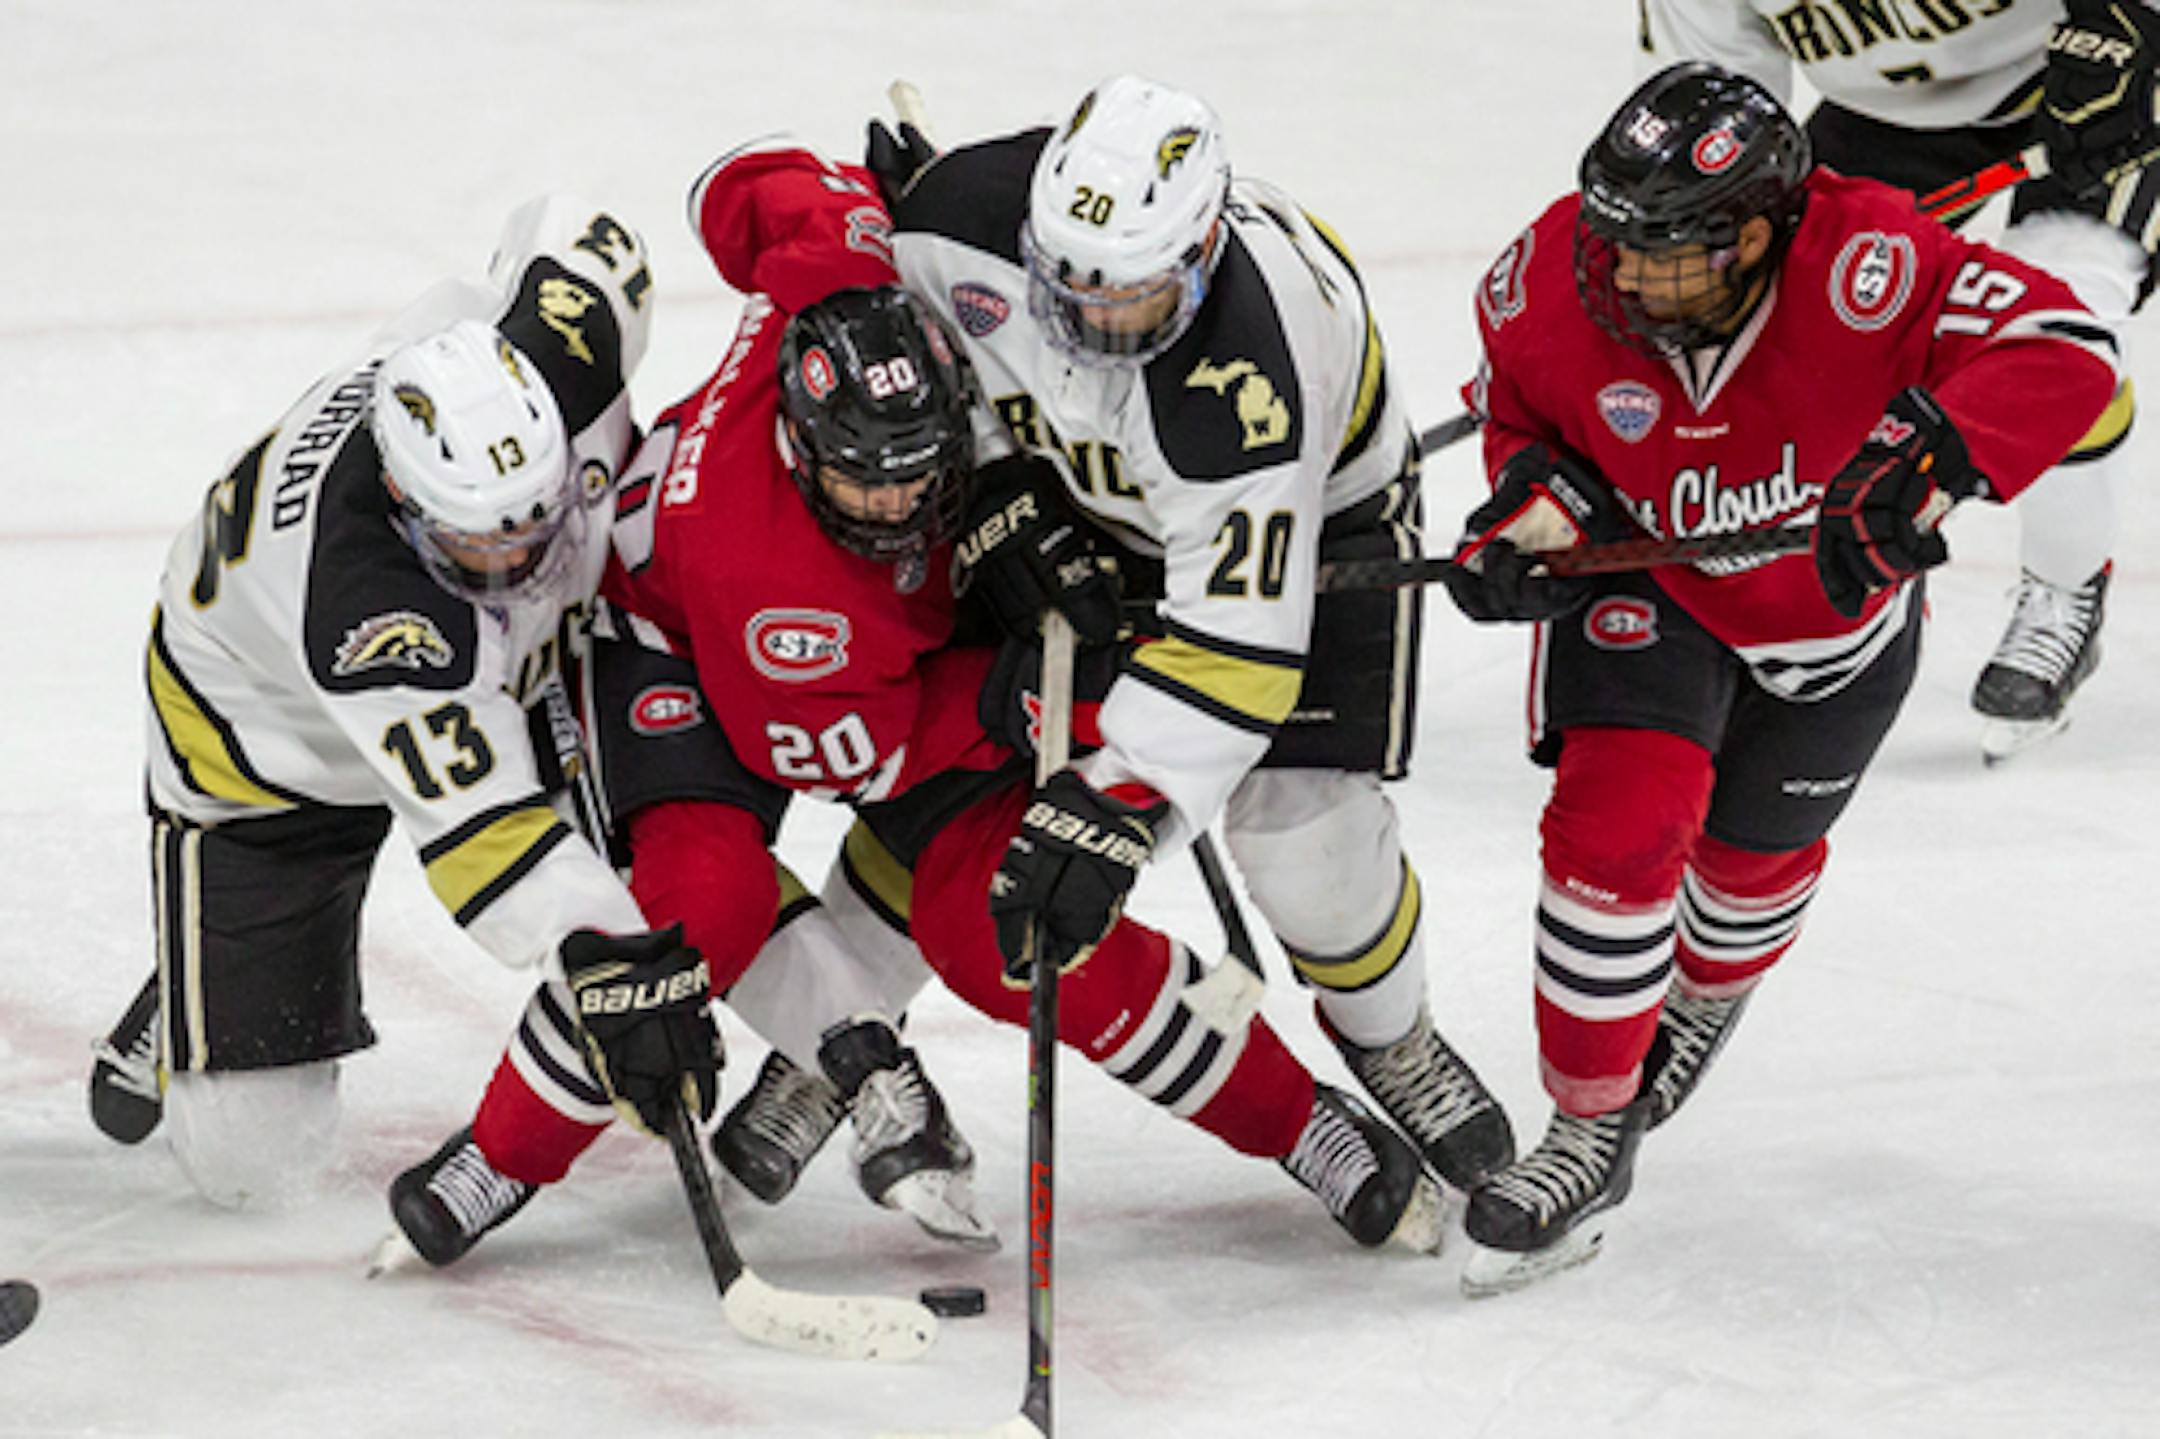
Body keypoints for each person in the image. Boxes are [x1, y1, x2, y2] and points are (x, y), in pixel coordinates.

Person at [560, 134, 1447, 1255]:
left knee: (1031, 918)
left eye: (922, 474)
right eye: (864, 484)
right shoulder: (771, 573)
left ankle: (1306, 1110)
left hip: (925, 634)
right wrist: (1029, 699)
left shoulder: (875, 286)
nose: (896, 506)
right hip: (716, 663)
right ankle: (840, 1047)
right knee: (971, 910)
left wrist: (867, 227)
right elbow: (865, 760)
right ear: (799, 443)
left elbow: (740, 184)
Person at [1439, 61, 2116, 1295]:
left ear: (1757, 232)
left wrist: (1932, 456)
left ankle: (1704, 990)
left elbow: (2070, 348)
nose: (1629, 275)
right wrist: (1526, 513)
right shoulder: (1545, 279)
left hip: (1832, 627)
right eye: (1618, 240)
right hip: (1650, 596)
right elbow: (1524, 427)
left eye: (1669, 252)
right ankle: (1589, 1125)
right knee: (1617, 829)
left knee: (1750, 865)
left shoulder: (1874, 262)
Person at [861, 74, 1516, 1196]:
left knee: (1303, 834)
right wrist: (996, 489)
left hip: (1311, 520)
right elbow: (923, 370)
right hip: (1088, 497)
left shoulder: (1247, 381)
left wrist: (1119, 807)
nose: (1090, 323)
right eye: (1066, 287)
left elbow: (1234, 645)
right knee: (947, 749)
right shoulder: (954, 225)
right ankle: (837, 1008)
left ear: (1203, 251)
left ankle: (1389, 1033)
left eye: (1130, 302)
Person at [81, 194, 696, 1209]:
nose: (517, 560)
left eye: (534, 522)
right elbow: (487, 837)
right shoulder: (372, 613)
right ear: (409, 506)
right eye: (480, 545)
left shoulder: (551, 362)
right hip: (262, 753)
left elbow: (587, 238)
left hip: (470, 680)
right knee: (250, 1165)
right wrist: (616, 968)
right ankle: (190, 983)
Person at [1640, 0, 2155, 760]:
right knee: (1777, 327)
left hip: (2088, 75)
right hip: (1894, 114)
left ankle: (2065, 583)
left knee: (2060, 339)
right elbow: (1717, 113)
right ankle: (1768, 597)